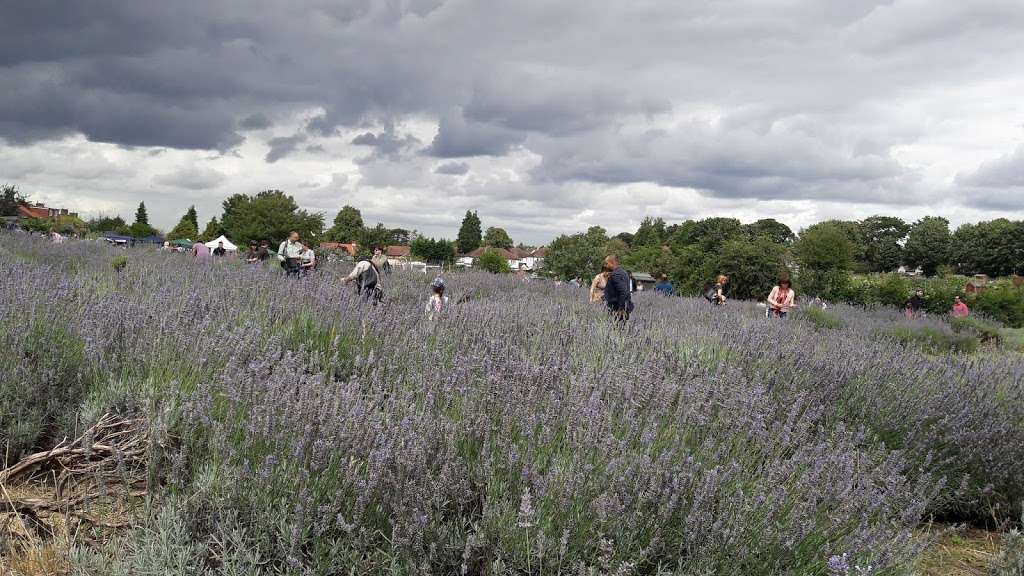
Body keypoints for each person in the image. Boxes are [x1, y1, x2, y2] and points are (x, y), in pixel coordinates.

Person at [602, 255, 633, 322]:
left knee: (615, 329)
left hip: (617, 309)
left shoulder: (616, 274)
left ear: (612, 262)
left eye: (607, 263)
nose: (605, 266)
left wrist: (620, 308)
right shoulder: (623, 272)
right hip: (622, 307)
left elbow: (623, 291)